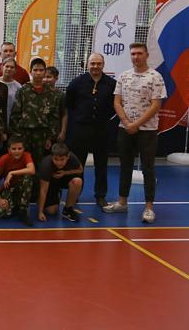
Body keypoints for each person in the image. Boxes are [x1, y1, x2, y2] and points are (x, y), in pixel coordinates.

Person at [104, 43, 166, 223]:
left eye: (139, 53)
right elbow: (117, 102)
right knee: (125, 166)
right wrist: (126, 123)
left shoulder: (155, 77)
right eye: (133, 54)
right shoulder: (124, 76)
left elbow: (156, 105)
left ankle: (149, 208)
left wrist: (136, 124)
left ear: (146, 55)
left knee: (148, 168)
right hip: (125, 129)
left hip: (147, 131)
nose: (136, 57)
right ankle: (122, 202)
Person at [65, 53, 116, 208]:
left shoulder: (112, 84)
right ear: (87, 64)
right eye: (92, 63)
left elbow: (115, 105)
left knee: (101, 164)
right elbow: (69, 105)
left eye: (98, 63)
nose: (95, 66)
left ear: (103, 65)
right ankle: (76, 193)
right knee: (78, 163)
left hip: (102, 129)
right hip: (81, 129)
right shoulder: (76, 83)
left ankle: (100, 195)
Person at [9, 57, 65, 170]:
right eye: (35, 70)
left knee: (41, 164)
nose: (38, 73)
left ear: (45, 72)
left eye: (41, 70)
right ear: (30, 72)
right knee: (24, 163)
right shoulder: (23, 90)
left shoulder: (52, 93)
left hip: (42, 135)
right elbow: (15, 114)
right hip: (25, 133)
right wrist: (18, 136)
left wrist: (50, 137)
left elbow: (54, 117)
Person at [0, 136, 35, 226]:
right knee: (2, 213)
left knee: (28, 178)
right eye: (14, 149)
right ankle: (14, 205)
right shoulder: (4, 159)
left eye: (20, 148)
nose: (17, 151)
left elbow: (32, 170)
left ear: (24, 149)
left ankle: (23, 210)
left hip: (20, 186)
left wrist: (11, 173)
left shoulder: (26, 155)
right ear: (9, 150)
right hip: (8, 187)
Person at [36, 142, 84, 222]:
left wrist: (65, 173)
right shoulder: (46, 165)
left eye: (62, 159)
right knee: (51, 211)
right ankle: (54, 194)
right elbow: (43, 190)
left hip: (64, 177)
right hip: (51, 182)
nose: (59, 163)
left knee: (78, 181)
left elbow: (80, 170)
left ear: (67, 157)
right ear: (51, 157)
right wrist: (40, 212)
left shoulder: (72, 157)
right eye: (56, 159)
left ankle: (68, 210)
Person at [0, 57, 23, 127]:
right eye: (7, 66)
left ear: (15, 70)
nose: (9, 69)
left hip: (13, 122)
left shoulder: (18, 87)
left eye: (12, 67)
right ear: (2, 67)